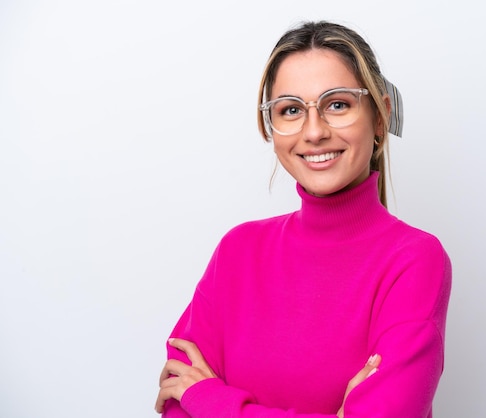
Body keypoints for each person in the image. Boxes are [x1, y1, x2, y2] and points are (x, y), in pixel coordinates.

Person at [155, 20, 452, 418]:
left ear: (379, 116)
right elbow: (177, 399)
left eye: (338, 104)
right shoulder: (237, 251)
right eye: (291, 110)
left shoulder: (414, 260)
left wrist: (212, 401)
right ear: (271, 127)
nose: (314, 132)